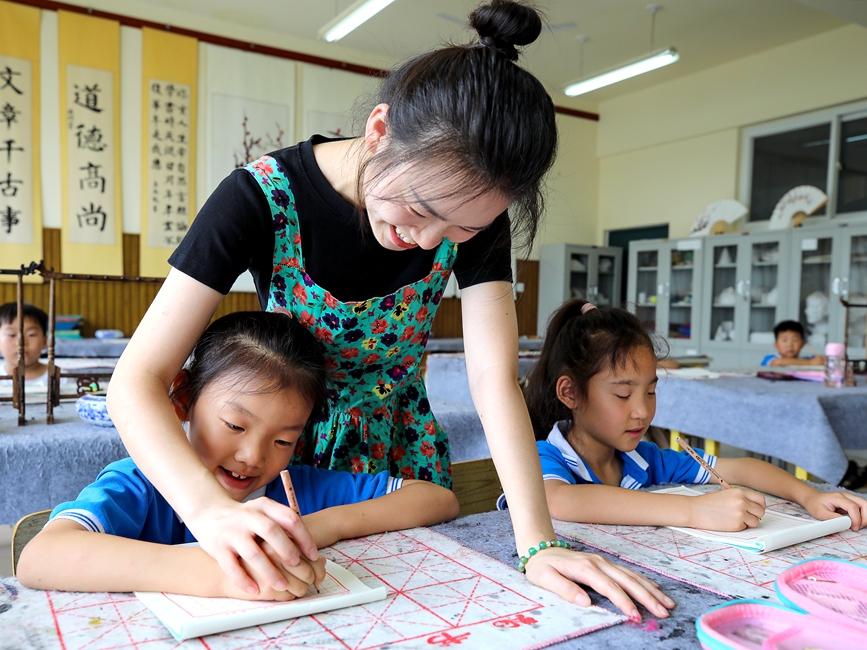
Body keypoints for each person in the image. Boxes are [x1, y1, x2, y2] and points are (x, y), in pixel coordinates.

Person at [107, 0, 674, 620]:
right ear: (379, 131)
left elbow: (492, 380)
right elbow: (137, 380)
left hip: (402, 465)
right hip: (289, 454)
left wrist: (537, 542)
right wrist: (210, 512)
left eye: (461, 228)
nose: (431, 241)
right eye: (421, 208)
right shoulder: (260, 197)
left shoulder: (473, 217)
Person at [17, 311, 459, 597]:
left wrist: (319, 526)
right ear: (183, 400)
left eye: (284, 440)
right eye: (235, 425)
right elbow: (39, 558)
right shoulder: (140, 484)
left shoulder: (297, 490)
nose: (252, 455)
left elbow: (437, 498)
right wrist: (214, 574)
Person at [520, 299, 867, 532]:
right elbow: (560, 500)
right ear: (570, 393)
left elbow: (741, 468)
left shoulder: (645, 459)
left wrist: (809, 496)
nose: (642, 410)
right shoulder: (544, 456)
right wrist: (693, 511)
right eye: (623, 394)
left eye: (651, 391)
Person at [0, 302, 49, 385]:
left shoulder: (63, 379)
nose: (21, 343)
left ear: (44, 342)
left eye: (31, 334)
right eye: (11, 335)